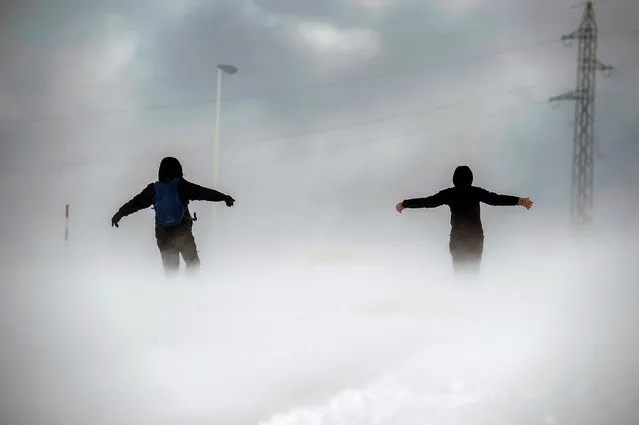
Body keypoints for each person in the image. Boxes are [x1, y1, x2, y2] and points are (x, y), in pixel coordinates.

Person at [395, 165, 533, 277]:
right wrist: (519, 201)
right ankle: (470, 304)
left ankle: (462, 302)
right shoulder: (476, 192)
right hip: (475, 239)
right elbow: (496, 199)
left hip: (458, 239)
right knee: (472, 274)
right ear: (470, 179)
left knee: (460, 275)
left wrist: (405, 203)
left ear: (454, 179)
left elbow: (427, 202)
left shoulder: (449, 193)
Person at [111, 156, 235, 276]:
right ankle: (194, 291)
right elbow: (204, 193)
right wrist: (224, 197)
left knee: (171, 271)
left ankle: (172, 294)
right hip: (183, 233)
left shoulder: (153, 189)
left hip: (163, 236)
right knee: (193, 265)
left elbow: (135, 203)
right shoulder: (181, 185)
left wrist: (119, 214)